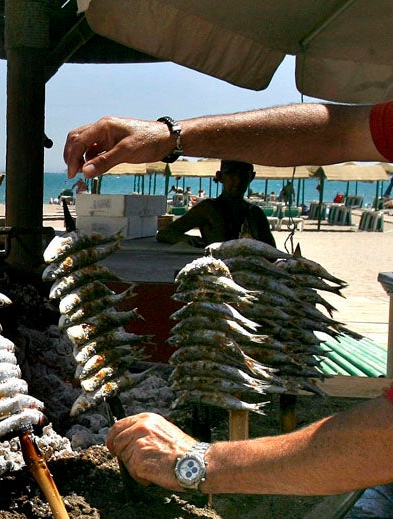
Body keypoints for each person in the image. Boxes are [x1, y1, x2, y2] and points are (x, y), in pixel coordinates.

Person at [64, 101, 393, 496]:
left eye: (242, 174)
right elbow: (340, 128)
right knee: (228, 369)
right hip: (223, 296)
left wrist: (199, 463)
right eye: (234, 174)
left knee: (260, 367)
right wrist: (171, 135)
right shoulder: (223, 211)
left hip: (251, 302)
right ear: (225, 177)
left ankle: (262, 419)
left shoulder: (248, 214)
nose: (238, 181)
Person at [155, 160, 275, 248]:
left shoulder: (255, 213)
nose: (238, 180)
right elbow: (165, 233)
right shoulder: (209, 208)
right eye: (231, 173)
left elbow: (272, 253)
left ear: (251, 177)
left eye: (243, 174)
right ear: (220, 176)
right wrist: (188, 239)